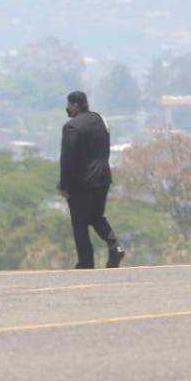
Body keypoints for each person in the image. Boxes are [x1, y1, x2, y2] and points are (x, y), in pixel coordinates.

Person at [60, 91, 125, 269]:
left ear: (75, 105)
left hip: (82, 182)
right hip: (103, 177)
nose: (67, 109)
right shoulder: (101, 120)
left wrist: (64, 185)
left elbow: (68, 158)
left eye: (69, 105)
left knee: (79, 223)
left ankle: (86, 262)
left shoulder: (71, 127)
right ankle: (115, 247)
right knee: (97, 217)